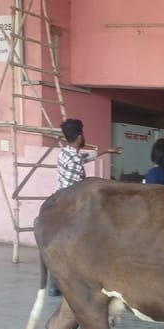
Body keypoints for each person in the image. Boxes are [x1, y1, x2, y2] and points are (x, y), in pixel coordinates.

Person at [51, 119, 121, 295]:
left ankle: (56, 284)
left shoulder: (65, 153)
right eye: (83, 133)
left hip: (59, 201)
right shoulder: (74, 160)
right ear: (79, 136)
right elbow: (77, 188)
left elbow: (87, 157)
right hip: (70, 205)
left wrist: (107, 150)